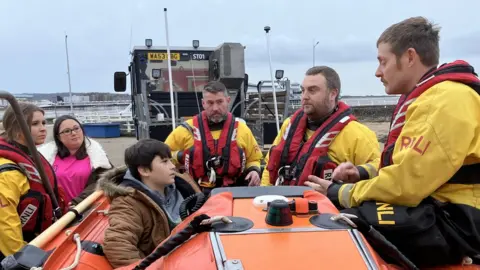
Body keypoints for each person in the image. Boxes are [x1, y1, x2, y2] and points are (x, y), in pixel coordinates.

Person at [306, 17, 480, 267]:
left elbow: (406, 185)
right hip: (444, 209)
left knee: (341, 219)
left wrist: (339, 192)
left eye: (382, 61)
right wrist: (361, 172)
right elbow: (408, 160)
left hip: (459, 221)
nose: (378, 72)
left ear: (410, 57)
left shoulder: (443, 101)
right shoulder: (434, 97)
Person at [261, 66, 381, 187]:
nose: (304, 96)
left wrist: (358, 172)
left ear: (332, 94)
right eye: (303, 90)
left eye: (312, 90)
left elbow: (378, 170)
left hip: (328, 204)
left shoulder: (358, 134)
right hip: (279, 201)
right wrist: (263, 196)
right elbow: (269, 165)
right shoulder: (289, 125)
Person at [100, 138, 201, 268]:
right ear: (144, 171)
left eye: (170, 160)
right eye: (164, 161)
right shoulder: (128, 203)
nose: (172, 166)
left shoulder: (183, 185)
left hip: (196, 253)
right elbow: (117, 244)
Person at [165, 81, 263, 194]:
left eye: (220, 102)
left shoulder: (242, 130)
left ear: (228, 101)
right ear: (203, 103)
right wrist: (180, 156)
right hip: (197, 193)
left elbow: (254, 159)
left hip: (234, 192)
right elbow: (163, 158)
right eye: (210, 103)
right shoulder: (185, 130)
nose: (215, 108)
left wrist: (254, 171)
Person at [0, 103, 67, 260]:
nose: (44, 128)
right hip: (19, 250)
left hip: (40, 239)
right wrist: (22, 258)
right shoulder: (7, 172)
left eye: (44, 123)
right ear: (17, 128)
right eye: (35, 124)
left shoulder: (31, 157)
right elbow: (5, 223)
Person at [38, 115, 113, 206]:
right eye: (67, 131)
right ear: (58, 137)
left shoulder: (98, 158)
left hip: (86, 210)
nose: (73, 133)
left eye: (76, 128)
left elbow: (106, 181)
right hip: (57, 213)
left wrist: (77, 203)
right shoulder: (46, 158)